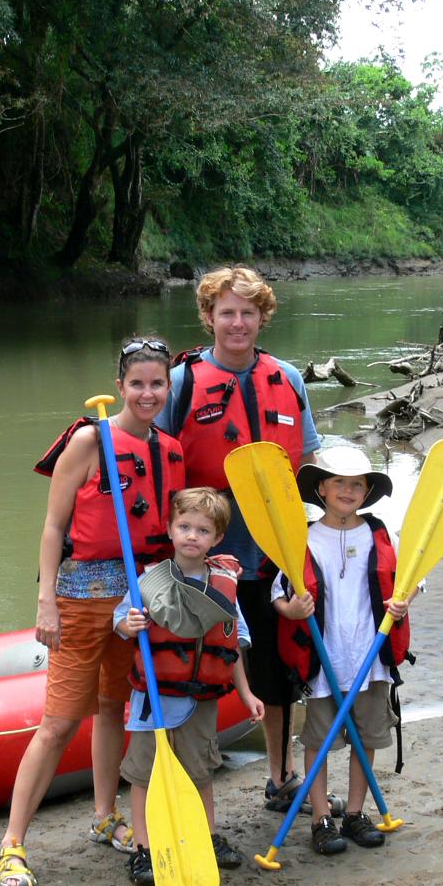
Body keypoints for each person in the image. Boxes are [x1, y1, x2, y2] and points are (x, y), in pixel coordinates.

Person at [0, 336, 186, 886]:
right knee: (57, 723)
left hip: (139, 601)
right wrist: (46, 601)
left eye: (157, 384)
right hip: (81, 598)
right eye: (138, 383)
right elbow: (54, 527)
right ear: (121, 385)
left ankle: (106, 815)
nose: (147, 393)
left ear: (167, 387)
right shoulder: (89, 441)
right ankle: (11, 844)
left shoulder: (169, 450)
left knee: (113, 707)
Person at [155, 266, 321, 811]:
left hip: (274, 555)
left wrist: (317, 535)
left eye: (248, 312)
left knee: (275, 671)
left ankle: (280, 775)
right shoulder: (181, 383)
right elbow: (159, 466)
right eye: (226, 312)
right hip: (205, 557)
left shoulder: (288, 378)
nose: (238, 323)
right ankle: (188, 790)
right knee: (192, 666)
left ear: (262, 317)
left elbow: (311, 462)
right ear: (208, 318)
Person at [113, 487, 264, 886]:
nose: (192, 536)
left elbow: (233, 644)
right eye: (184, 527)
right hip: (154, 699)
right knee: (145, 776)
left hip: (200, 700)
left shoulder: (225, 583)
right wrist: (130, 624)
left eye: (202, 530)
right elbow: (120, 618)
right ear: (170, 530)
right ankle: (144, 850)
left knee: (200, 773)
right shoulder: (149, 580)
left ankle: (207, 837)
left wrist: (247, 694)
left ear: (216, 538)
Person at [270, 446, 413, 856]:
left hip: (371, 661)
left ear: (367, 491)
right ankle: (320, 818)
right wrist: (291, 609)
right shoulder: (306, 538)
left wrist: (404, 601)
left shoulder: (381, 534)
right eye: (339, 483)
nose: (347, 491)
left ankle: (355, 813)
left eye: (357, 484)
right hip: (324, 662)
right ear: (321, 489)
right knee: (318, 741)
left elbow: (411, 581)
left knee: (366, 736)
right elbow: (278, 592)